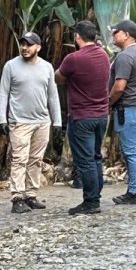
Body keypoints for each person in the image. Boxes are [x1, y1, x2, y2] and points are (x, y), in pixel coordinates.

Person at [0, 31, 62, 214]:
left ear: (38, 47)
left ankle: (31, 195)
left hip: (42, 121)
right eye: (22, 44)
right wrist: (2, 118)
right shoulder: (10, 66)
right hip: (19, 121)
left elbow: (52, 95)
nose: (24, 48)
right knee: (19, 159)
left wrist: (57, 122)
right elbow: (3, 93)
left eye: (29, 44)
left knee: (36, 159)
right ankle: (17, 196)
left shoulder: (47, 67)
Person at [56, 21, 112, 216]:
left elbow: (59, 78)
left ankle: (91, 201)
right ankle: (96, 195)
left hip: (82, 116)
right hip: (102, 115)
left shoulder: (73, 58)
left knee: (86, 160)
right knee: (96, 157)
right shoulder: (104, 55)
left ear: (77, 37)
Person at [108, 19, 136, 205]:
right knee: (134, 151)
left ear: (126, 34)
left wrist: (108, 102)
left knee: (132, 151)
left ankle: (135, 191)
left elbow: (119, 86)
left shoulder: (125, 56)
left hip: (129, 107)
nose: (113, 35)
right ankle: (134, 188)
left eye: (116, 32)